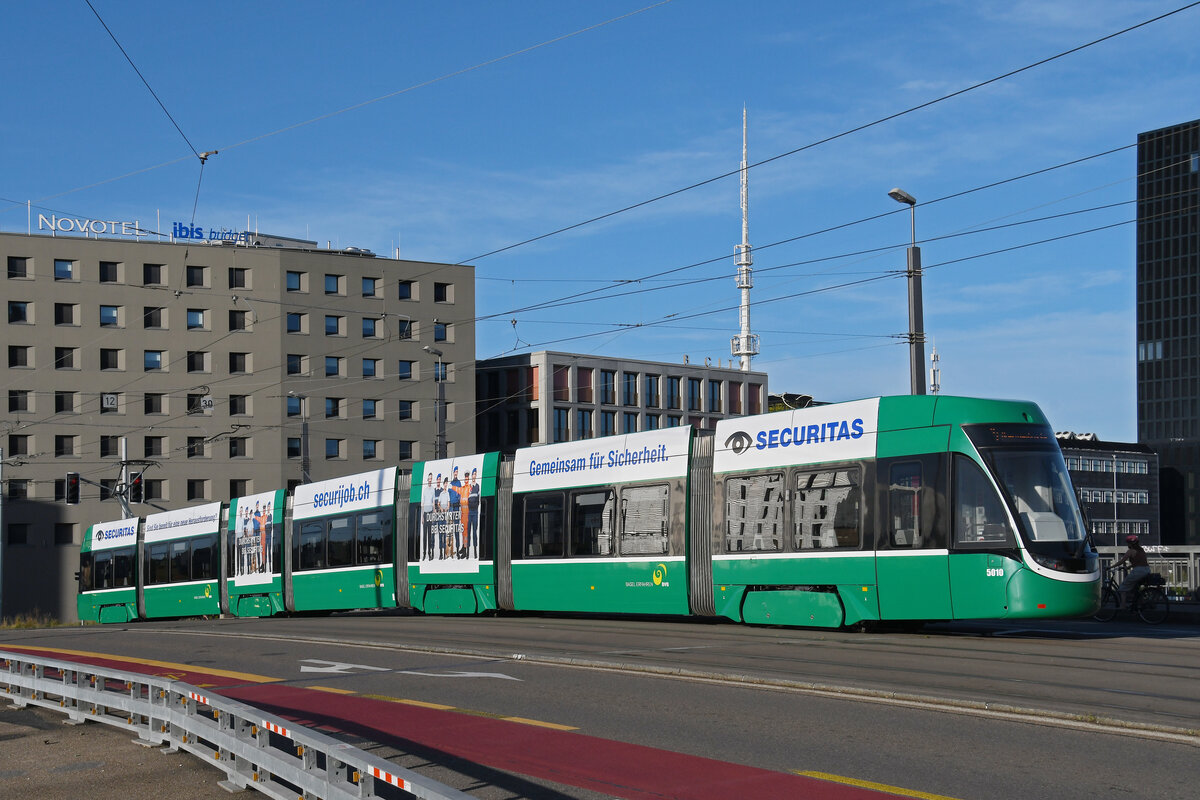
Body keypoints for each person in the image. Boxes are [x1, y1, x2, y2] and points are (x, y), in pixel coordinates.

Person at [1114, 534, 1151, 608]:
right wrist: (1128, 567)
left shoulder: (1130, 551)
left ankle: (1123, 606)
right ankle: (1137, 603)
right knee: (1135, 587)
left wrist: (1110, 566)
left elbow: (1121, 561)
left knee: (1123, 588)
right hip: (1147, 569)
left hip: (1138, 571)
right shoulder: (1141, 550)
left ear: (1129, 543)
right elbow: (1139, 562)